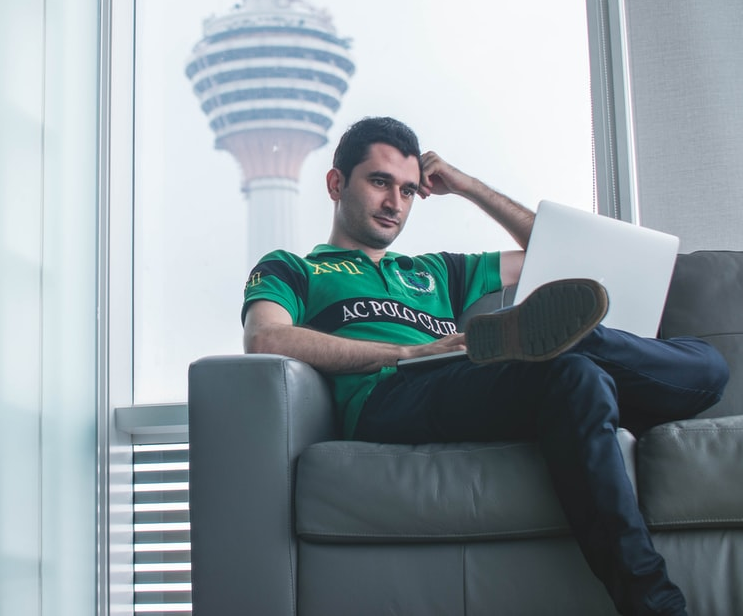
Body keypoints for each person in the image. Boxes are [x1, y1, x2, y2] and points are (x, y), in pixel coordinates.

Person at [242, 116, 729, 616]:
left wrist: (469, 187)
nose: (395, 204)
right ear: (336, 182)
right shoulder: (294, 268)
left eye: (409, 190)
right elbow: (265, 337)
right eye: (380, 182)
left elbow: (565, 257)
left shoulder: (433, 271)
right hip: (387, 396)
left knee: (690, 367)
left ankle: (573, 346)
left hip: (462, 378)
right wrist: (408, 353)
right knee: (578, 370)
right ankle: (658, 605)